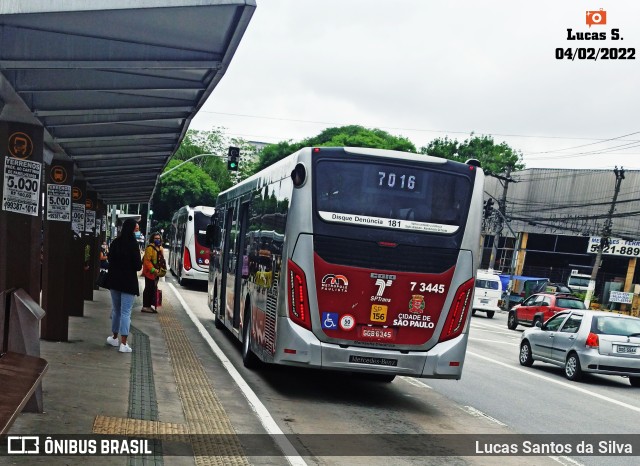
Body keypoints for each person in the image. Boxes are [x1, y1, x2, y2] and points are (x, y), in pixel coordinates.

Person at [105, 218, 142, 353]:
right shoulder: (133, 245)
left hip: (114, 281)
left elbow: (110, 259)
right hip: (128, 282)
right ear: (132, 229)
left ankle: (114, 338)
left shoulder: (116, 242)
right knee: (126, 312)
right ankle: (124, 344)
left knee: (116, 310)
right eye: (136, 228)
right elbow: (138, 266)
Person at [141, 232, 164, 313]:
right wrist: (153, 270)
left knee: (152, 288)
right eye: (155, 238)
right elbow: (147, 261)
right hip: (149, 273)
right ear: (152, 239)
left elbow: (161, 260)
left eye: (158, 238)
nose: (157, 240)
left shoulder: (160, 248)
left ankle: (149, 305)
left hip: (156, 273)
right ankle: (145, 306)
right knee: (148, 288)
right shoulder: (149, 248)